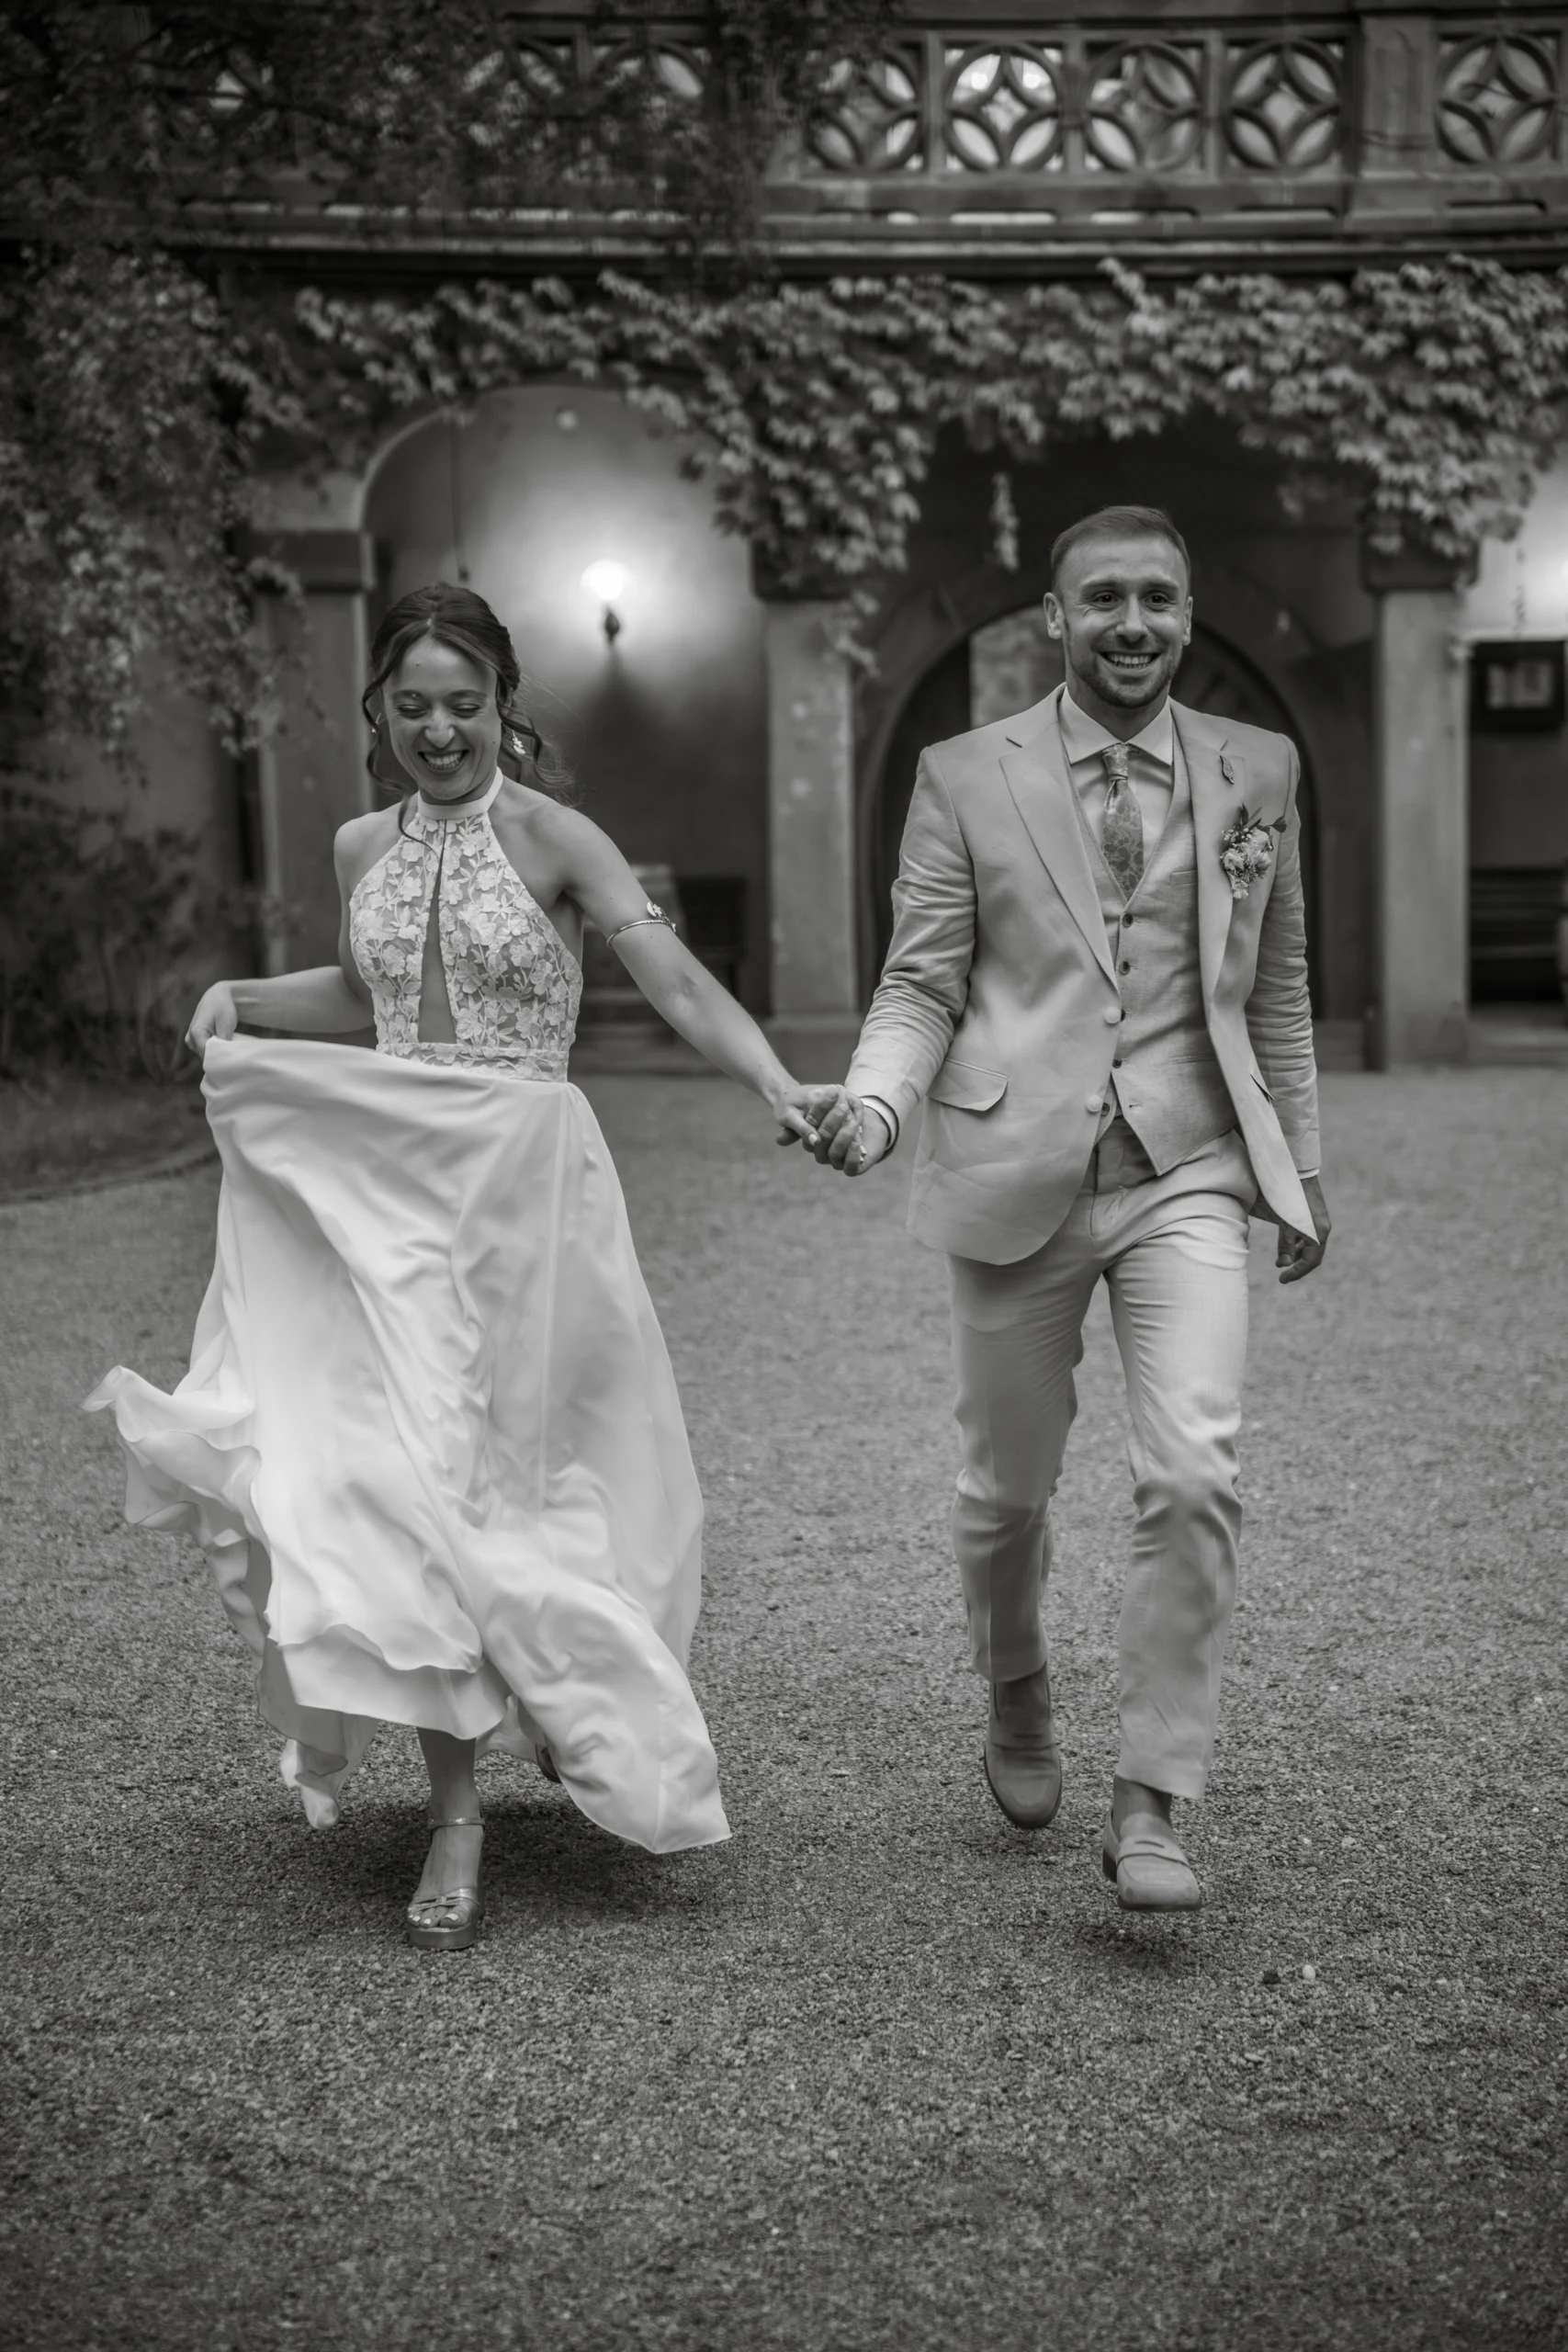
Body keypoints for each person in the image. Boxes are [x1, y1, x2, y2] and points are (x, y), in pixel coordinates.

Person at [88, 581, 824, 1951]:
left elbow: (669, 981)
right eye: (413, 707)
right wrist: (244, 999)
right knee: (404, 1474)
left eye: (465, 706)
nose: (439, 731)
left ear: (504, 707)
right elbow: (367, 997)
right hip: (390, 1186)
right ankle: (455, 1811)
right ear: (379, 710)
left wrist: (776, 1082)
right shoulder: (361, 843)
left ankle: (561, 1689)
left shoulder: (556, 837)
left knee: (536, 1477)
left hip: (524, 1192)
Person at [802, 506, 1330, 1912]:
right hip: (1011, 1167)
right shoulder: (960, 774)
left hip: (1188, 1167)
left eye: (1156, 597)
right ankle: (1015, 1680)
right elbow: (920, 982)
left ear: (1189, 611)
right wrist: (874, 1105)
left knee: (1195, 1472)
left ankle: (1152, 1795)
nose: (1130, 624)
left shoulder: (1259, 769)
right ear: (1054, 616)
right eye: (1102, 599)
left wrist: (1298, 1165)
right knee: (1003, 1492)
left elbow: (1276, 985)